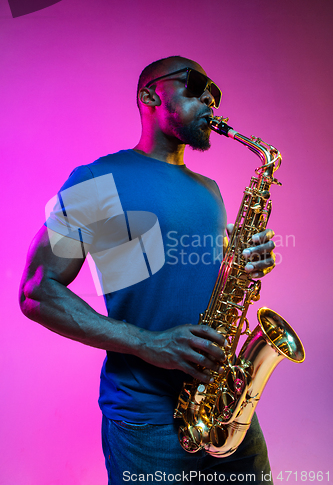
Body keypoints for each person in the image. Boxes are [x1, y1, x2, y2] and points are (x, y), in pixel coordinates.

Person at [20, 56, 276, 484]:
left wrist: (243, 259)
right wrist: (147, 343)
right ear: (148, 95)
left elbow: (200, 275)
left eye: (215, 94)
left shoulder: (209, 190)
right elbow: (37, 290)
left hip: (227, 411)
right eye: (197, 87)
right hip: (147, 425)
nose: (210, 101)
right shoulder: (97, 179)